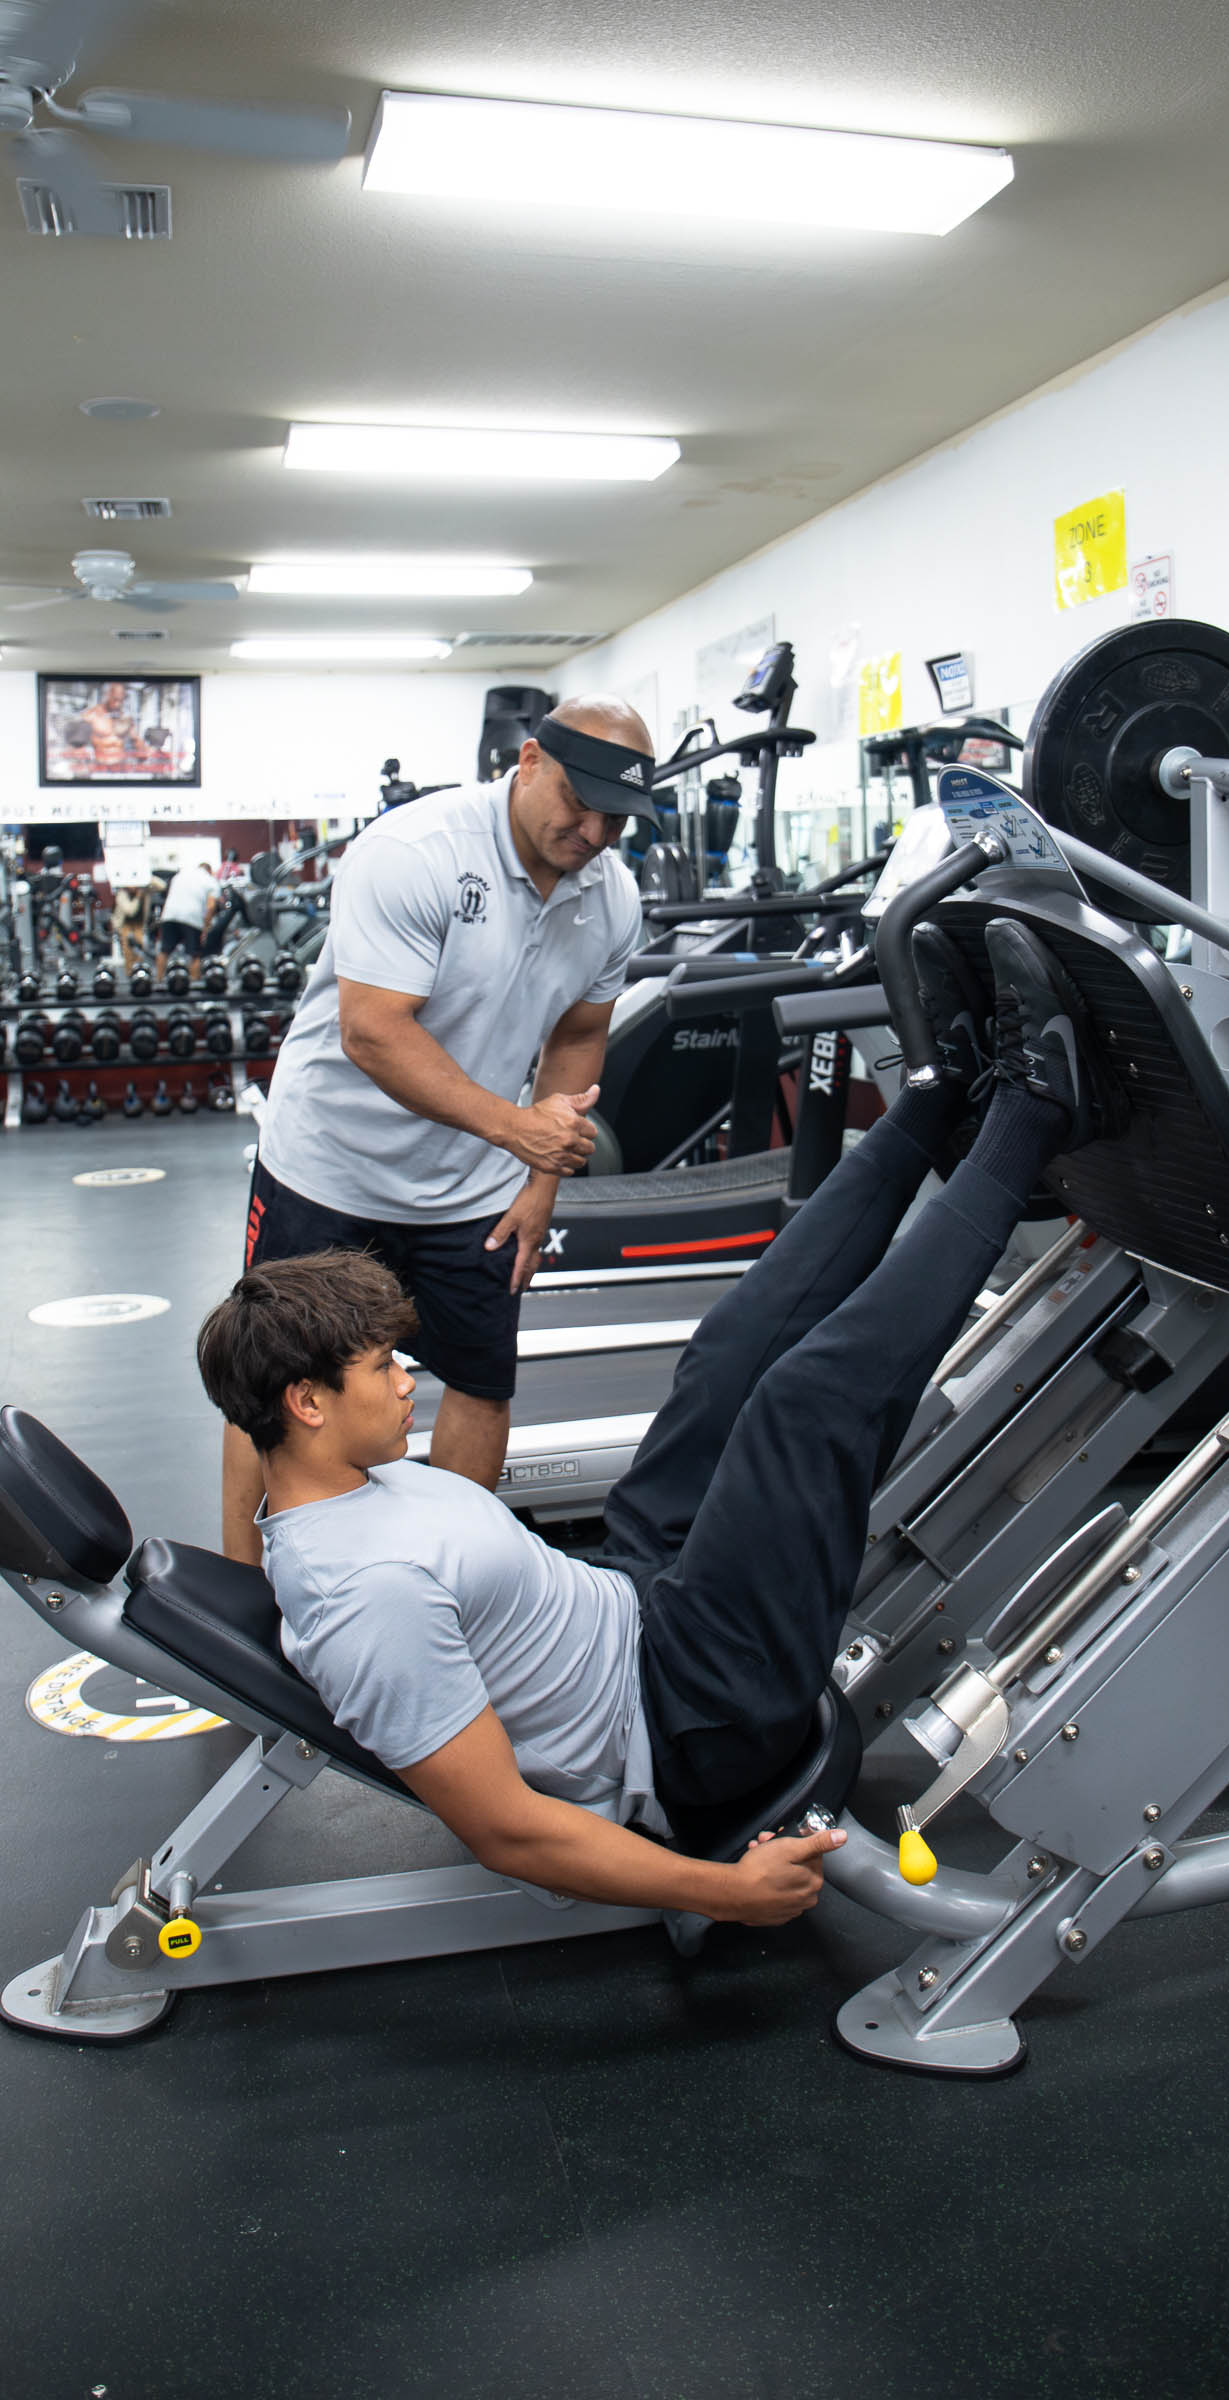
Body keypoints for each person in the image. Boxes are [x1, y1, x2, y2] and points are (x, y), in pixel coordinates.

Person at [195, 920, 1116, 1925]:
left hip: (636, 1597)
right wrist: (726, 1892)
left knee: (725, 1359)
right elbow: (507, 1828)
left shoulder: (345, 1485)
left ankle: (938, 1100)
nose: (407, 1384)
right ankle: (1034, 1109)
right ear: (306, 1402)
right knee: (803, 1409)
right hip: (692, 1715)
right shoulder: (366, 1602)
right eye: (381, 1369)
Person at [219, 696, 663, 1567]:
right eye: (580, 801)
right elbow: (374, 1030)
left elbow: (578, 1034)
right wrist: (518, 1133)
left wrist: (539, 1187)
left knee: (482, 1385)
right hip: (329, 1171)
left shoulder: (610, 897)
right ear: (529, 761)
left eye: (616, 817)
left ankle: (453, 1581)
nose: (595, 830)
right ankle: (245, 1601)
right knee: (273, 1390)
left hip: (471, 1192)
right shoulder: (413, 852)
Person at [155, 856, 217, 973]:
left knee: (164, 951)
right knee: (195, 955)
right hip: (192, 917)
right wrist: (205, 927)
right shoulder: (210, 880)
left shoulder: (179, 876)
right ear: (209, 871)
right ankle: (195, 985)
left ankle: (158, 983)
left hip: (169, 914)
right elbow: (211, 906)